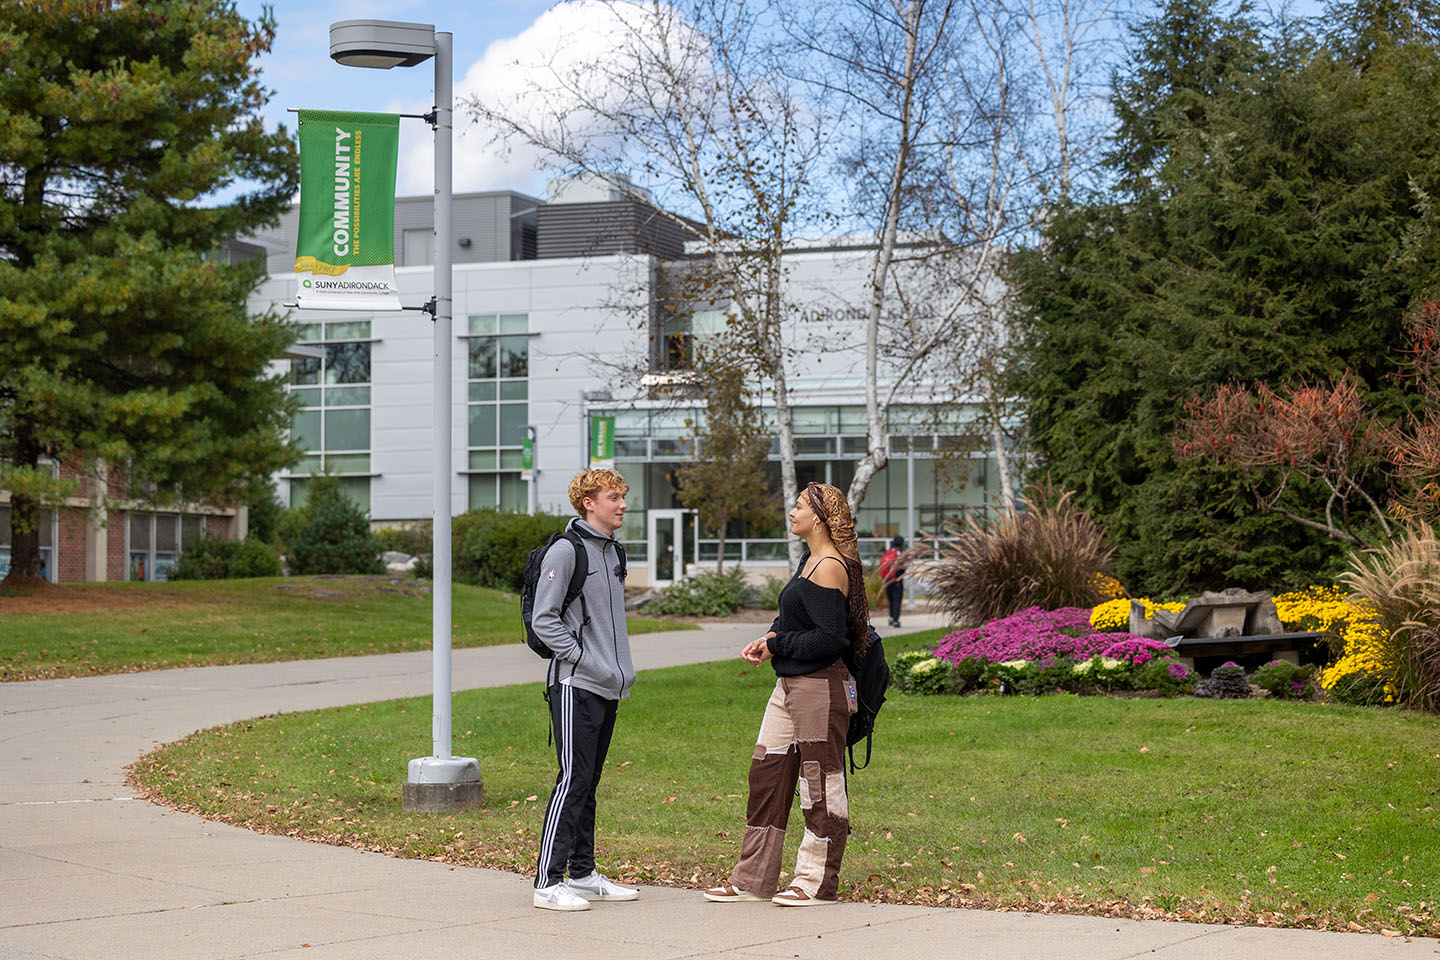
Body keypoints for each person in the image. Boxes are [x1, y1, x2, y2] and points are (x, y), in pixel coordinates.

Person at [703, 481, 872, 906]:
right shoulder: (808, 560)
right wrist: (770, 636)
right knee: (767, 776)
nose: (792, 511)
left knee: (818, 782)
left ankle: (814, 881)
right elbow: (798, 623)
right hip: (789, 685)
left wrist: (778, 644)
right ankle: (752, 878)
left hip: (820, 688)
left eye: (798, 505)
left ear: (818, 516)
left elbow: (829, 640)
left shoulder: (830, 565)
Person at [531, 468, 639, 912]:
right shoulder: (566, 551)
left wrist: (616, 670)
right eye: (613, 497)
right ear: (588, 502)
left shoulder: (614, 553)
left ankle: (583, 872)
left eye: (622, 497)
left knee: (589, 782)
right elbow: (544, 618)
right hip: (576, 684)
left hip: (608, 686)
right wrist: (581, 657)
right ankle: (547, 881)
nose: (622, 505)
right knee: (572, 779)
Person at [880, 534, 907, 628]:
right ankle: (895, 620)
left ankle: (891, 618)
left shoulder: (888, 552)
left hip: (887, 579)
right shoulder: (899, 552)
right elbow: (902, 566)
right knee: (897, 600)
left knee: (890, 600)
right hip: (897, 580)